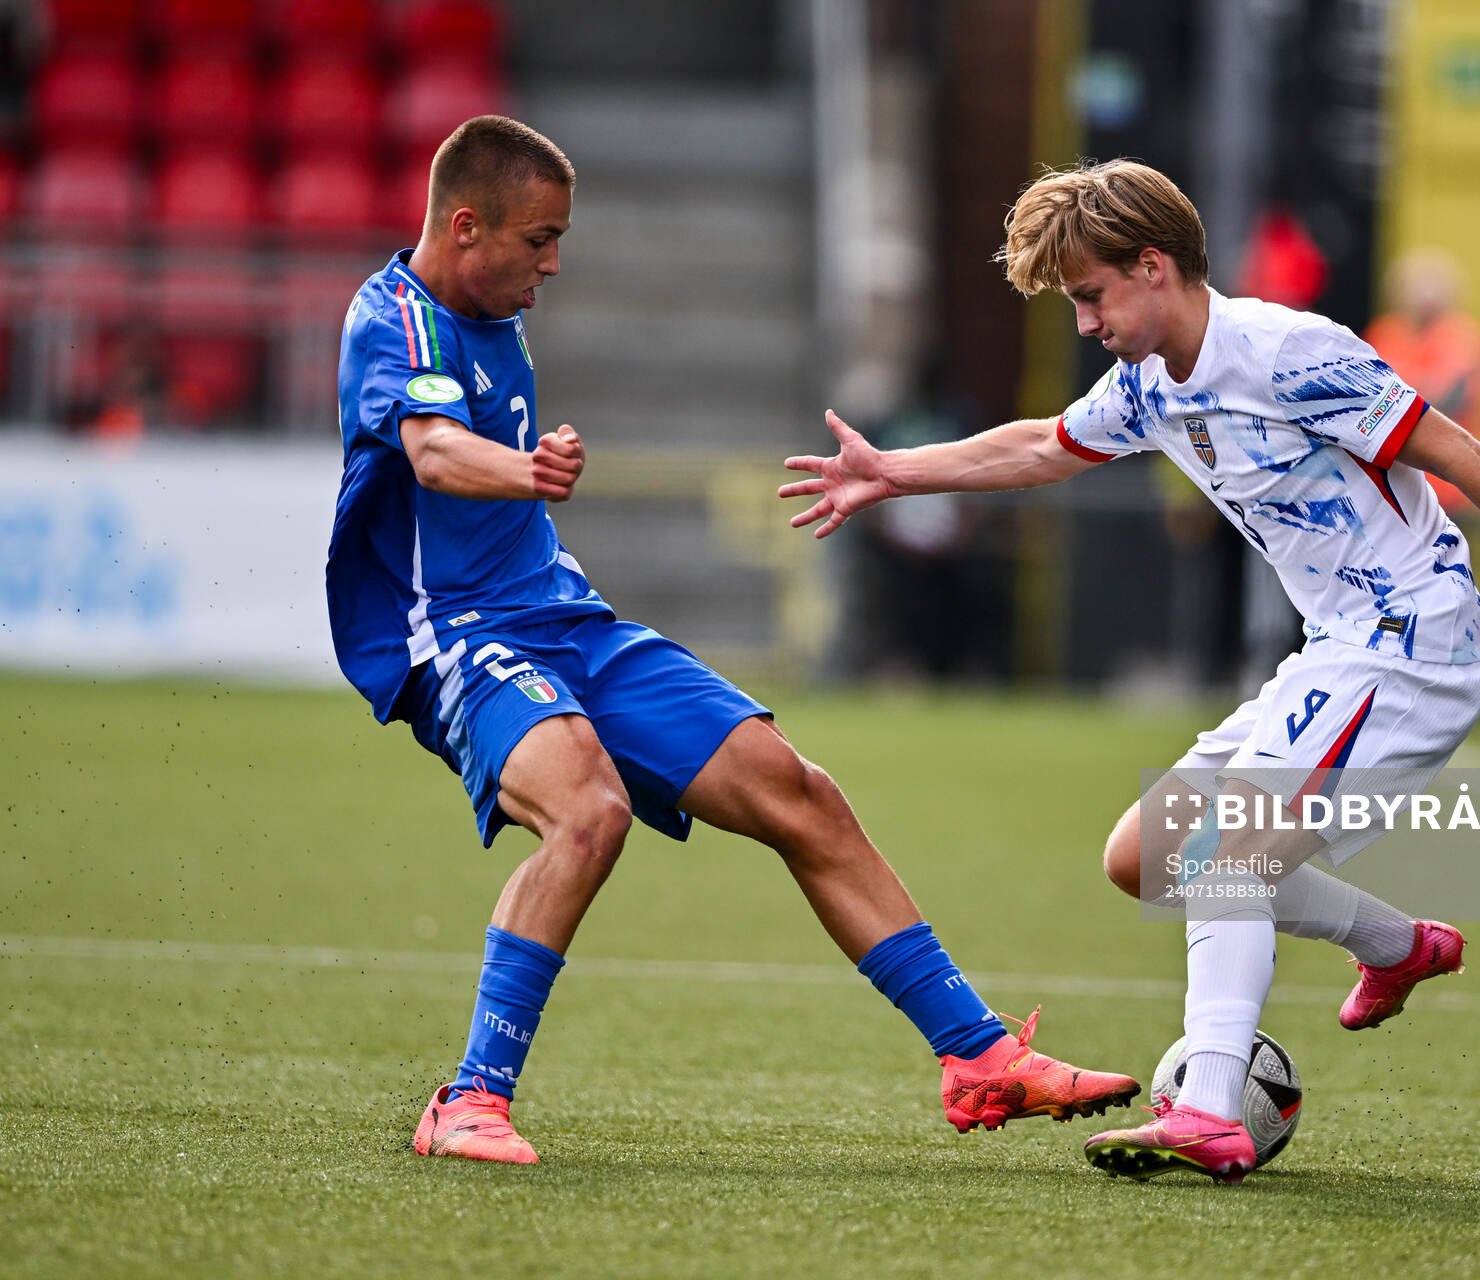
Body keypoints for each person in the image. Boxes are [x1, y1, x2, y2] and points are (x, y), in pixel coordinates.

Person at [780, 160, 1480, 1184]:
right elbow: (1045, 444)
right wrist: (896, 471)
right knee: (1144, 854)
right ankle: (1396, 945)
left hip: (1410, 642)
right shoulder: (1146, 383)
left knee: (1228, 851)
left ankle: (1210, 1105)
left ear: (1153, 265)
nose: (1084, 322)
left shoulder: (1290, 353)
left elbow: (1460, 453)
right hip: (1335, 645)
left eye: (1090, 295)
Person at [326, 117, 1138, 1165]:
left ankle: (977, 1057)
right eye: (539, 240)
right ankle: (469, 1097)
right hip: (457, 637)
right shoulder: (394, 317)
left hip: (567, 621)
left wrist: (529, 464)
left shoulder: (493, 307)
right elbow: (433, 452)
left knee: (797, 788)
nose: (554, 263)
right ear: (465, 223)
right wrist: (524, 468)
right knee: (588, 809)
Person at [1362, 248, 1480, 514]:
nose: (1426, 297)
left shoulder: (1463, 337)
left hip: (1452, 479)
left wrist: (1402, 391)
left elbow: (1442, 401)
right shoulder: (1385, 333)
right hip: (1391, 479)